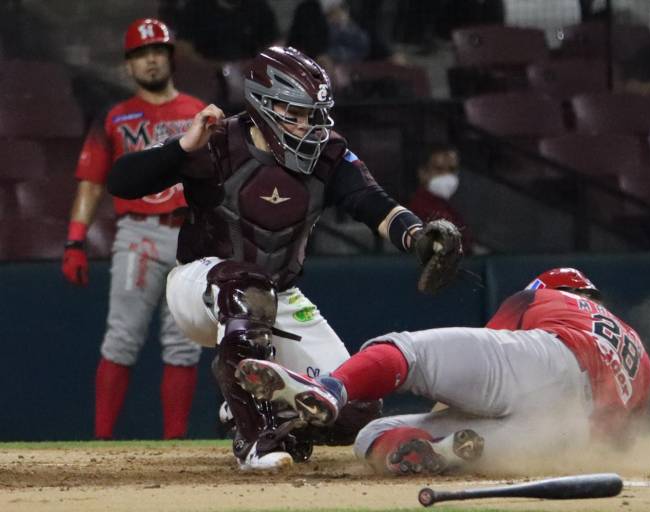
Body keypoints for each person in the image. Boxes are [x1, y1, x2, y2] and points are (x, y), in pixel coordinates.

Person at [106, 46, 463, 471]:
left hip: (278, 294)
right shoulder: (216, 140)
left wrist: (418, 237)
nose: (305, 124)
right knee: (247, 289)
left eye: (312, 114)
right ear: (261, 103)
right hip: (200, 286)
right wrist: (182, 147)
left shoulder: (328, 153)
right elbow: (122, 182)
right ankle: (256, 440)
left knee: (352, 409)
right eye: (293, 111)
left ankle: (261, 412)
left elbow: (372, 203)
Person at [235, 267, 650, 475]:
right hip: (567, 434)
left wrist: (440, 403)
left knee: (406, 350)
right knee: (374, 432)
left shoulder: (545, 300)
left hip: (548, 360)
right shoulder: (639, 351)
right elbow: (619, 444)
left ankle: (331, 388)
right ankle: (446, 452)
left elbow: (480, 363)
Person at [62, 18, 207, 440]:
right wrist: (74, 240)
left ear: (170, 57)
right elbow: (90, 184)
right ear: (128, 65)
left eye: (157, 51)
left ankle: (175, 445)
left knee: (183, 344)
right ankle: (102, 441)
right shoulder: (115, 117)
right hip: (138, 234)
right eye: (140, 54)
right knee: (121, 339)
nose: (150, 60)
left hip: (191, 234)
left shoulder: (199, 111)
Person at [408, 145, 474, 254]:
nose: (446, 175)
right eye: (439, 169)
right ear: (423, 173)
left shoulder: (450, 206)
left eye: (452, 169)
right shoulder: (419, 209)